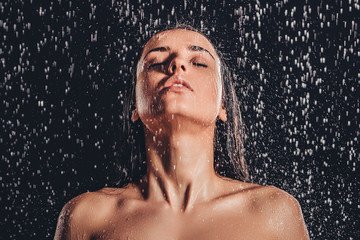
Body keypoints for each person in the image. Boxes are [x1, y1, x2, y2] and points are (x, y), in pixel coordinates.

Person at [54, 25, 310, 240]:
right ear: (135, 105)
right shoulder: (87, 216)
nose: (177, 64)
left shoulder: (274, 213)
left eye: (198, 62)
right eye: (155, 63)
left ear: (222, 105)